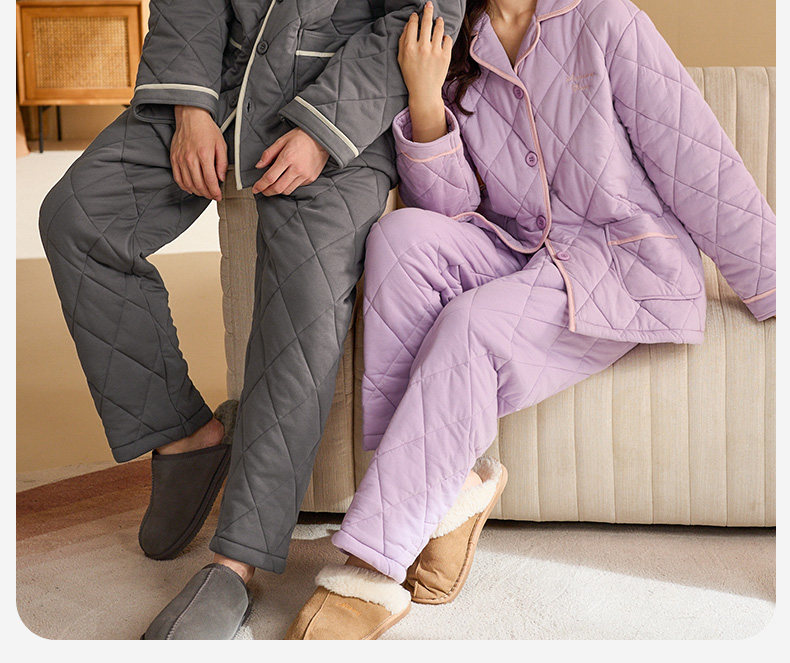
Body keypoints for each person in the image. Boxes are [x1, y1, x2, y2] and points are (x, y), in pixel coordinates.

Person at [287, 0, 776, 639]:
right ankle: (444, 496)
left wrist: (772, 282)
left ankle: (372, 568)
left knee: (472, 327)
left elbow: (696, 161)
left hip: (617, 263)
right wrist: (427, 98)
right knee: (399, 239)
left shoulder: (606, 20)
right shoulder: (453, 35)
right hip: (514, 248)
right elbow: (451, 210)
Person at [38, 0, 463, 640]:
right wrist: (190, 107)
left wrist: (322, 131)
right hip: (222, 84)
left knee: (301, 310)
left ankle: (234, 564)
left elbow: (424, 14)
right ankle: (185, 437)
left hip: (337, 115)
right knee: (78, 218)